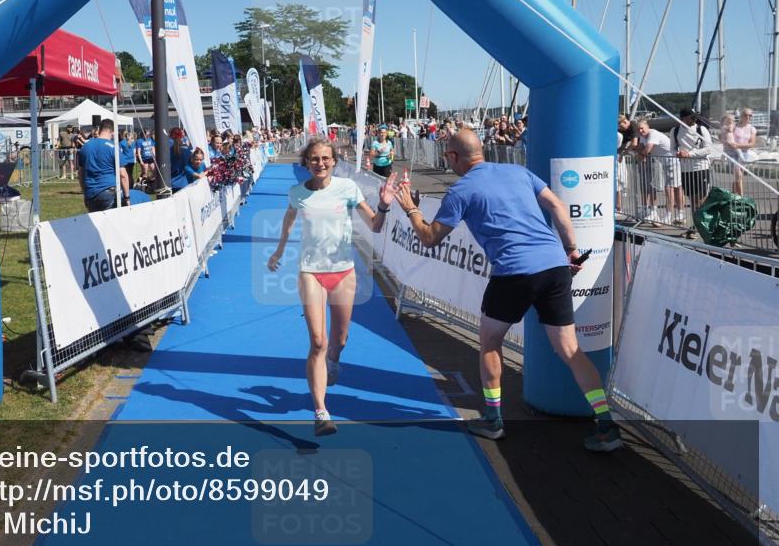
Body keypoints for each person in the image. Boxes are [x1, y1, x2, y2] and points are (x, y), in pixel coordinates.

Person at [394, 129, 621, 451]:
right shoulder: (518, 172)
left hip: (514, 273)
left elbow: (430, 237)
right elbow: (557, 205)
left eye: (447, 156)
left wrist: (411, 209)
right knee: (571, 350)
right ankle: (607, 424)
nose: (448, 162)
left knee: (489, 343)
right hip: (555, 266)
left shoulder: (461, 190)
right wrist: (571, 249)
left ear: (455, 157)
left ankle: (493, 419)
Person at [268, 138, 397, 437]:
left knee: (340, 338)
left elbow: (375, 225)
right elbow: (289, 220)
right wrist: (279, 250)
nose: (320, 164)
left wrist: (384, 204)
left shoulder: (348, 189)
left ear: (334, 161)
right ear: (306, 162)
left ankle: (334, 360)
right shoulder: (297, 194)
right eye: (314, 159)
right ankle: (321, 412)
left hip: (343, 273)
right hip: (311, 272)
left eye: (326, 158)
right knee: (317, 341)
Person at [672, 107, 714, 238]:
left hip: (701, 167)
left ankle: (701, 226)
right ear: (683, 118)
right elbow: (672, 149)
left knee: (700, 199)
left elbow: (708, 148)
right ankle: (697, 225)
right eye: (691, 116)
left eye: (694, 116)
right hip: (685, 170)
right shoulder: (675, 131)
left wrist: (689, 154)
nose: (694, 118)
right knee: (693, 199)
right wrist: (678, 154)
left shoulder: (702, 129)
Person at [77, 119, 129, 211]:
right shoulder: (114, 147)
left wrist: (85, 193)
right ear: (112, 132)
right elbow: (123, 175)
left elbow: (81, 174)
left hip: (91, 193)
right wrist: (127, 197)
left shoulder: (85, 147)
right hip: (109, 192)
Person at [636, 119, 676, 224]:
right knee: (652, 187)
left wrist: (641, 154)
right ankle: (654, 213)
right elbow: (639, 148)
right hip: (662, 162)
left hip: (672, 160)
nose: (640, 130)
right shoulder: (643, 136)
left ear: (647, 127)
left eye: (642, 128)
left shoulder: (653, 134)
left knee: (670, 188)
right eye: (638, 129)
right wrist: (640, 153)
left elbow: (646, 150)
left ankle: (669, 216)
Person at [728, 109, 758, 196]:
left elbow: (751, 144)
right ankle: (741, 197)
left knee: (737, 176)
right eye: (745, 115)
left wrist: (738, 145)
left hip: (744, 154)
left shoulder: (752, 129)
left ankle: (733, 195)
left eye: (750, 115)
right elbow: (726, 136)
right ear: (741, 115)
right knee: (738, 175)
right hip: (732, 153)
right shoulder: (734, 126)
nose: (748, 117)